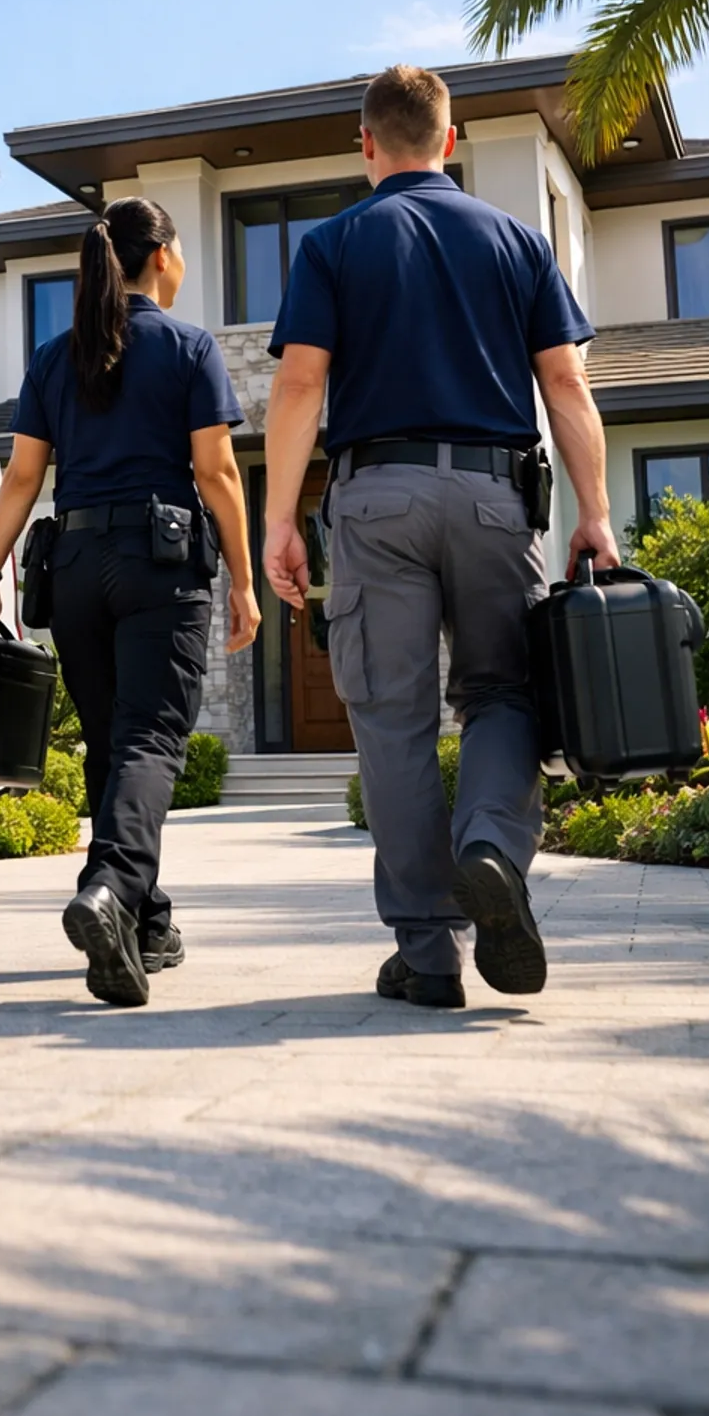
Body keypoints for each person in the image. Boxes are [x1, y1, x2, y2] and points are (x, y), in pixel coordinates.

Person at [262, 64, 617, 1009]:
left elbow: (299, 389)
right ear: (449, 142)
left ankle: (427, 954)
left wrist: (279, 521)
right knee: (504, 692)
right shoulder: (516, 239)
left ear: (367, 143)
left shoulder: (334, 243)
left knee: (391, 717)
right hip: (499, 497)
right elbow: (567, 387)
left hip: (375, 497)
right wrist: (597, 512)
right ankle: (492, 847)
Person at [0, 197, 260, 1006]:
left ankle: (145, 921)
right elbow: (218, 473)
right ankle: (109, 887)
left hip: (78, 563)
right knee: (153, 739)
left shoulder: (57, 356)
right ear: (161, 256)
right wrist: (243, 578)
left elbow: (23, 477)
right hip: (158, 564)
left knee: (111, 746)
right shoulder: (188, 347)